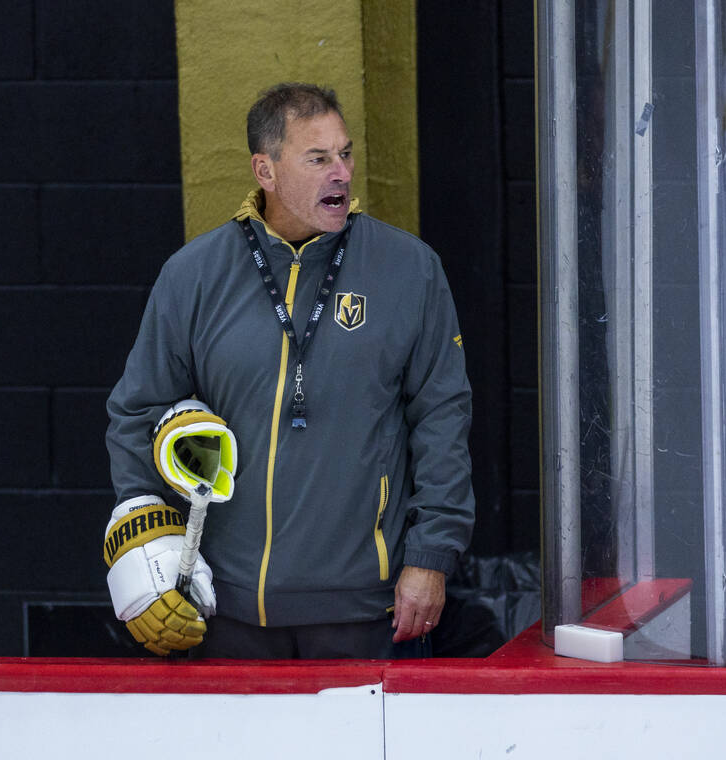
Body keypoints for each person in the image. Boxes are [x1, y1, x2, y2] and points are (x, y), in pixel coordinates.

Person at [103, 82, 474, 659]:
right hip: (224, 608)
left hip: (365, 608)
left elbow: (442, 420)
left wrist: (431, 558)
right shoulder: (194, 274)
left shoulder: (409, 269)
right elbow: (138, 412)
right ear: (266, 170)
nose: (341, 174)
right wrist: (144, 548)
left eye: (345, 155)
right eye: (318, 158)